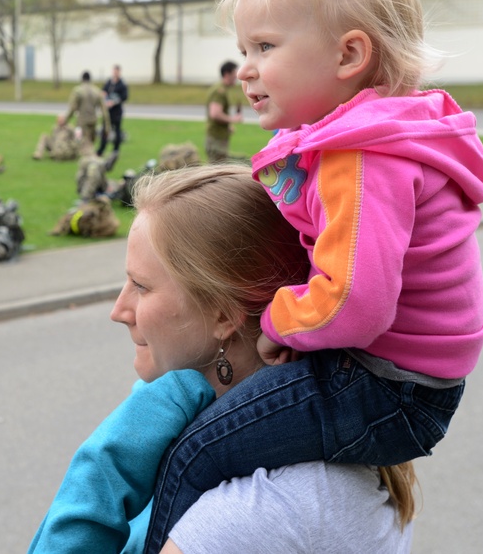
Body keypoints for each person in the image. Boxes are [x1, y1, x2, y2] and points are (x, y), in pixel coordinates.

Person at [140, 0, 483, 550]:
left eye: (264, 47)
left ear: (348, 56)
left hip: (385, 386)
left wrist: (279, 322)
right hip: (404, 379)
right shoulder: (372, 140)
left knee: (192, 454)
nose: (245, 70)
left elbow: (353, 302)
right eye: (244, 50)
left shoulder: (360, 159)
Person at [28, 164, 416, 553]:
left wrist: (103, 469)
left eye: (142, 287)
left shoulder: (256, 515)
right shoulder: (202, 436)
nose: (119, 310)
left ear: (223, 315)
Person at [203, 61, 243, 163]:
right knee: (216, 172)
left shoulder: (222, 89)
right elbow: (215, 114)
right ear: (226, 74)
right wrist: (233, 119)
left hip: (219, 137)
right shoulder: (219, 91)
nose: (236, 77)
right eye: (234, 74)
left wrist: (227, 126)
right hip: (216, 139)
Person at [61, 71, 108, 148]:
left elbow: (72, 108)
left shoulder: (77, 90)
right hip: (93, 120)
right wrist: (107, 126)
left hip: (81, 121)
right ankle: (90, 155)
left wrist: (66, 120)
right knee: (91, 143)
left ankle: (84, 156)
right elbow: (104, 111)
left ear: (82, 79)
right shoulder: (97, 91)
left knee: (79, 141)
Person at [98, 64, 129, 169]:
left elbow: (125, 96)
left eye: (117, 71)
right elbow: (103, 91)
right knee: (105, 130)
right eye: (114, 71)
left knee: (117, 131)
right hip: (108, 113)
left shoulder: (122, 84)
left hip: (116, 112)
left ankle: (116, 149)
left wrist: (114, 102)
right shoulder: (109, 82)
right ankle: (101, 149)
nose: (115, 73)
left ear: (119, 72)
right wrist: (104, 96)